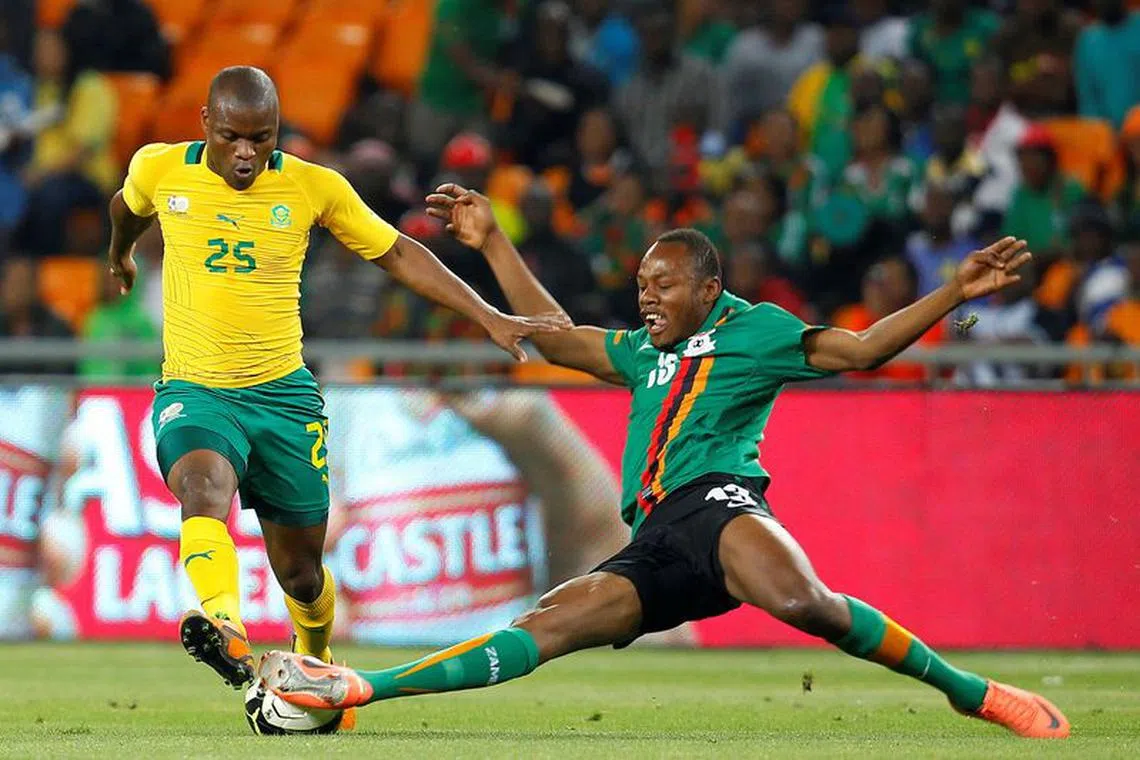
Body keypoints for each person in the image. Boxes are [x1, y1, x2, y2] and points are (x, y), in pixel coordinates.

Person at [257, 183, 1071, 740]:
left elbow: (859, 350)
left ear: (710, 288)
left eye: (664, 285)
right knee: (542, 627)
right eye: (643, 284)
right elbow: (557, 333)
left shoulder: (756, 331)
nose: (647, 298)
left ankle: (975, 695)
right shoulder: (646, 353)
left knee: (807, 604)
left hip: (716, 504)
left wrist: (953, 295)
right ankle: (361, 689)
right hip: (652, 541)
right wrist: (495, 241)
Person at [105, 67, 564, 696]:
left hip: (284, 398)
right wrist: (120, 253)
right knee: (201, 485)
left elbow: (398, 251)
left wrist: (485, 313)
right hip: (196, 388)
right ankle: (224, 620)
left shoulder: (313, 186)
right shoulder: (159, 167)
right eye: (233, 137)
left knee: (301, 574)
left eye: (261, 138)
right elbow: (126, 209)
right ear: (206, 123)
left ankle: (315, 660)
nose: (246, 153)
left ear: (277, 132)